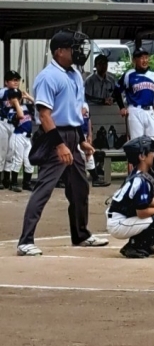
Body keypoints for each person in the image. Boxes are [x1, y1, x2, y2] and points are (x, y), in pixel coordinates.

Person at [16, 30, 109, 257]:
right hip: (53, 137)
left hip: (72, 136)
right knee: (44, 188)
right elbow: (45, 115)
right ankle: (25, 241)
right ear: (59, 52)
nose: (78, 52)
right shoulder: (48, 76)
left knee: (79, 187)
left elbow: (73, 112)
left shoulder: (75, 74)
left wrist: (81, 140)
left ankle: (81, 235)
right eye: (73, 48)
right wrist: (60, 145)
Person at [115, 47, 154, 186]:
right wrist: (121, 107)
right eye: (141, 57)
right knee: (138, 144)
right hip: (135, 110)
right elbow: (117, 90)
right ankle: (138, 174)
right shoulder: (129, 74)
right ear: (135, 60)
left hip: (149, 111)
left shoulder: (153, 74)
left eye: (146, 57)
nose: (144, 60)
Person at [8, 89, 35, 192]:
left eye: (17, 98)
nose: (15, 100)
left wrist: (28, 97)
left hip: (27, 138)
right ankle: (13, 183)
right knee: (18, 160)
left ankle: (27, 183)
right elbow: (20, 115)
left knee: (29, 161)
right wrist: (16, 103)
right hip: (18, 137)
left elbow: (38, 105)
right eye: (12, 98)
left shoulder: (26, 107)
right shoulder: (11, 111)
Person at [0, 70, 23, 190]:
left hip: (13, 124)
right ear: (6, 82)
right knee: (2, 151)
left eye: (17, 80)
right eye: (13, 80)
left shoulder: (18, 93)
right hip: (2, 123)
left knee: (11, 151)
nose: (16, 82)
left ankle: (6, 179)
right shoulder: (2, 92)